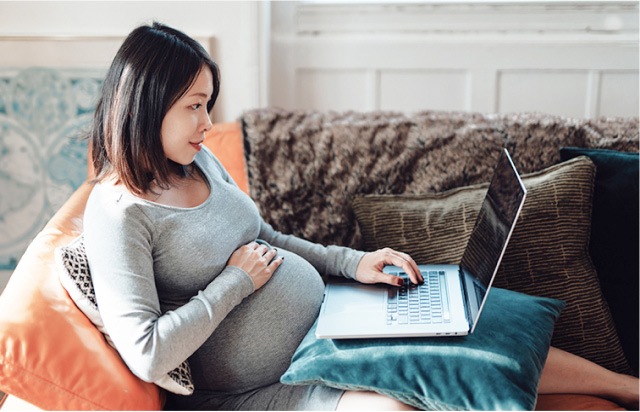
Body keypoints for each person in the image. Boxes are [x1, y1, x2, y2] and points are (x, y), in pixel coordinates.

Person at [84, 22, 638, 411]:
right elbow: (149, 352)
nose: (208, 122)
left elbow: (265, 239)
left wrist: (353, 265)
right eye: (194, 106)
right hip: (257, 390)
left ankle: (626, 388)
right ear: (147, 104)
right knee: (396, 407)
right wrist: (235, 283)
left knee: (474, 325)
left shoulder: (195, 159)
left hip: (330, 327)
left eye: (209, 103)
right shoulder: (119, 215)